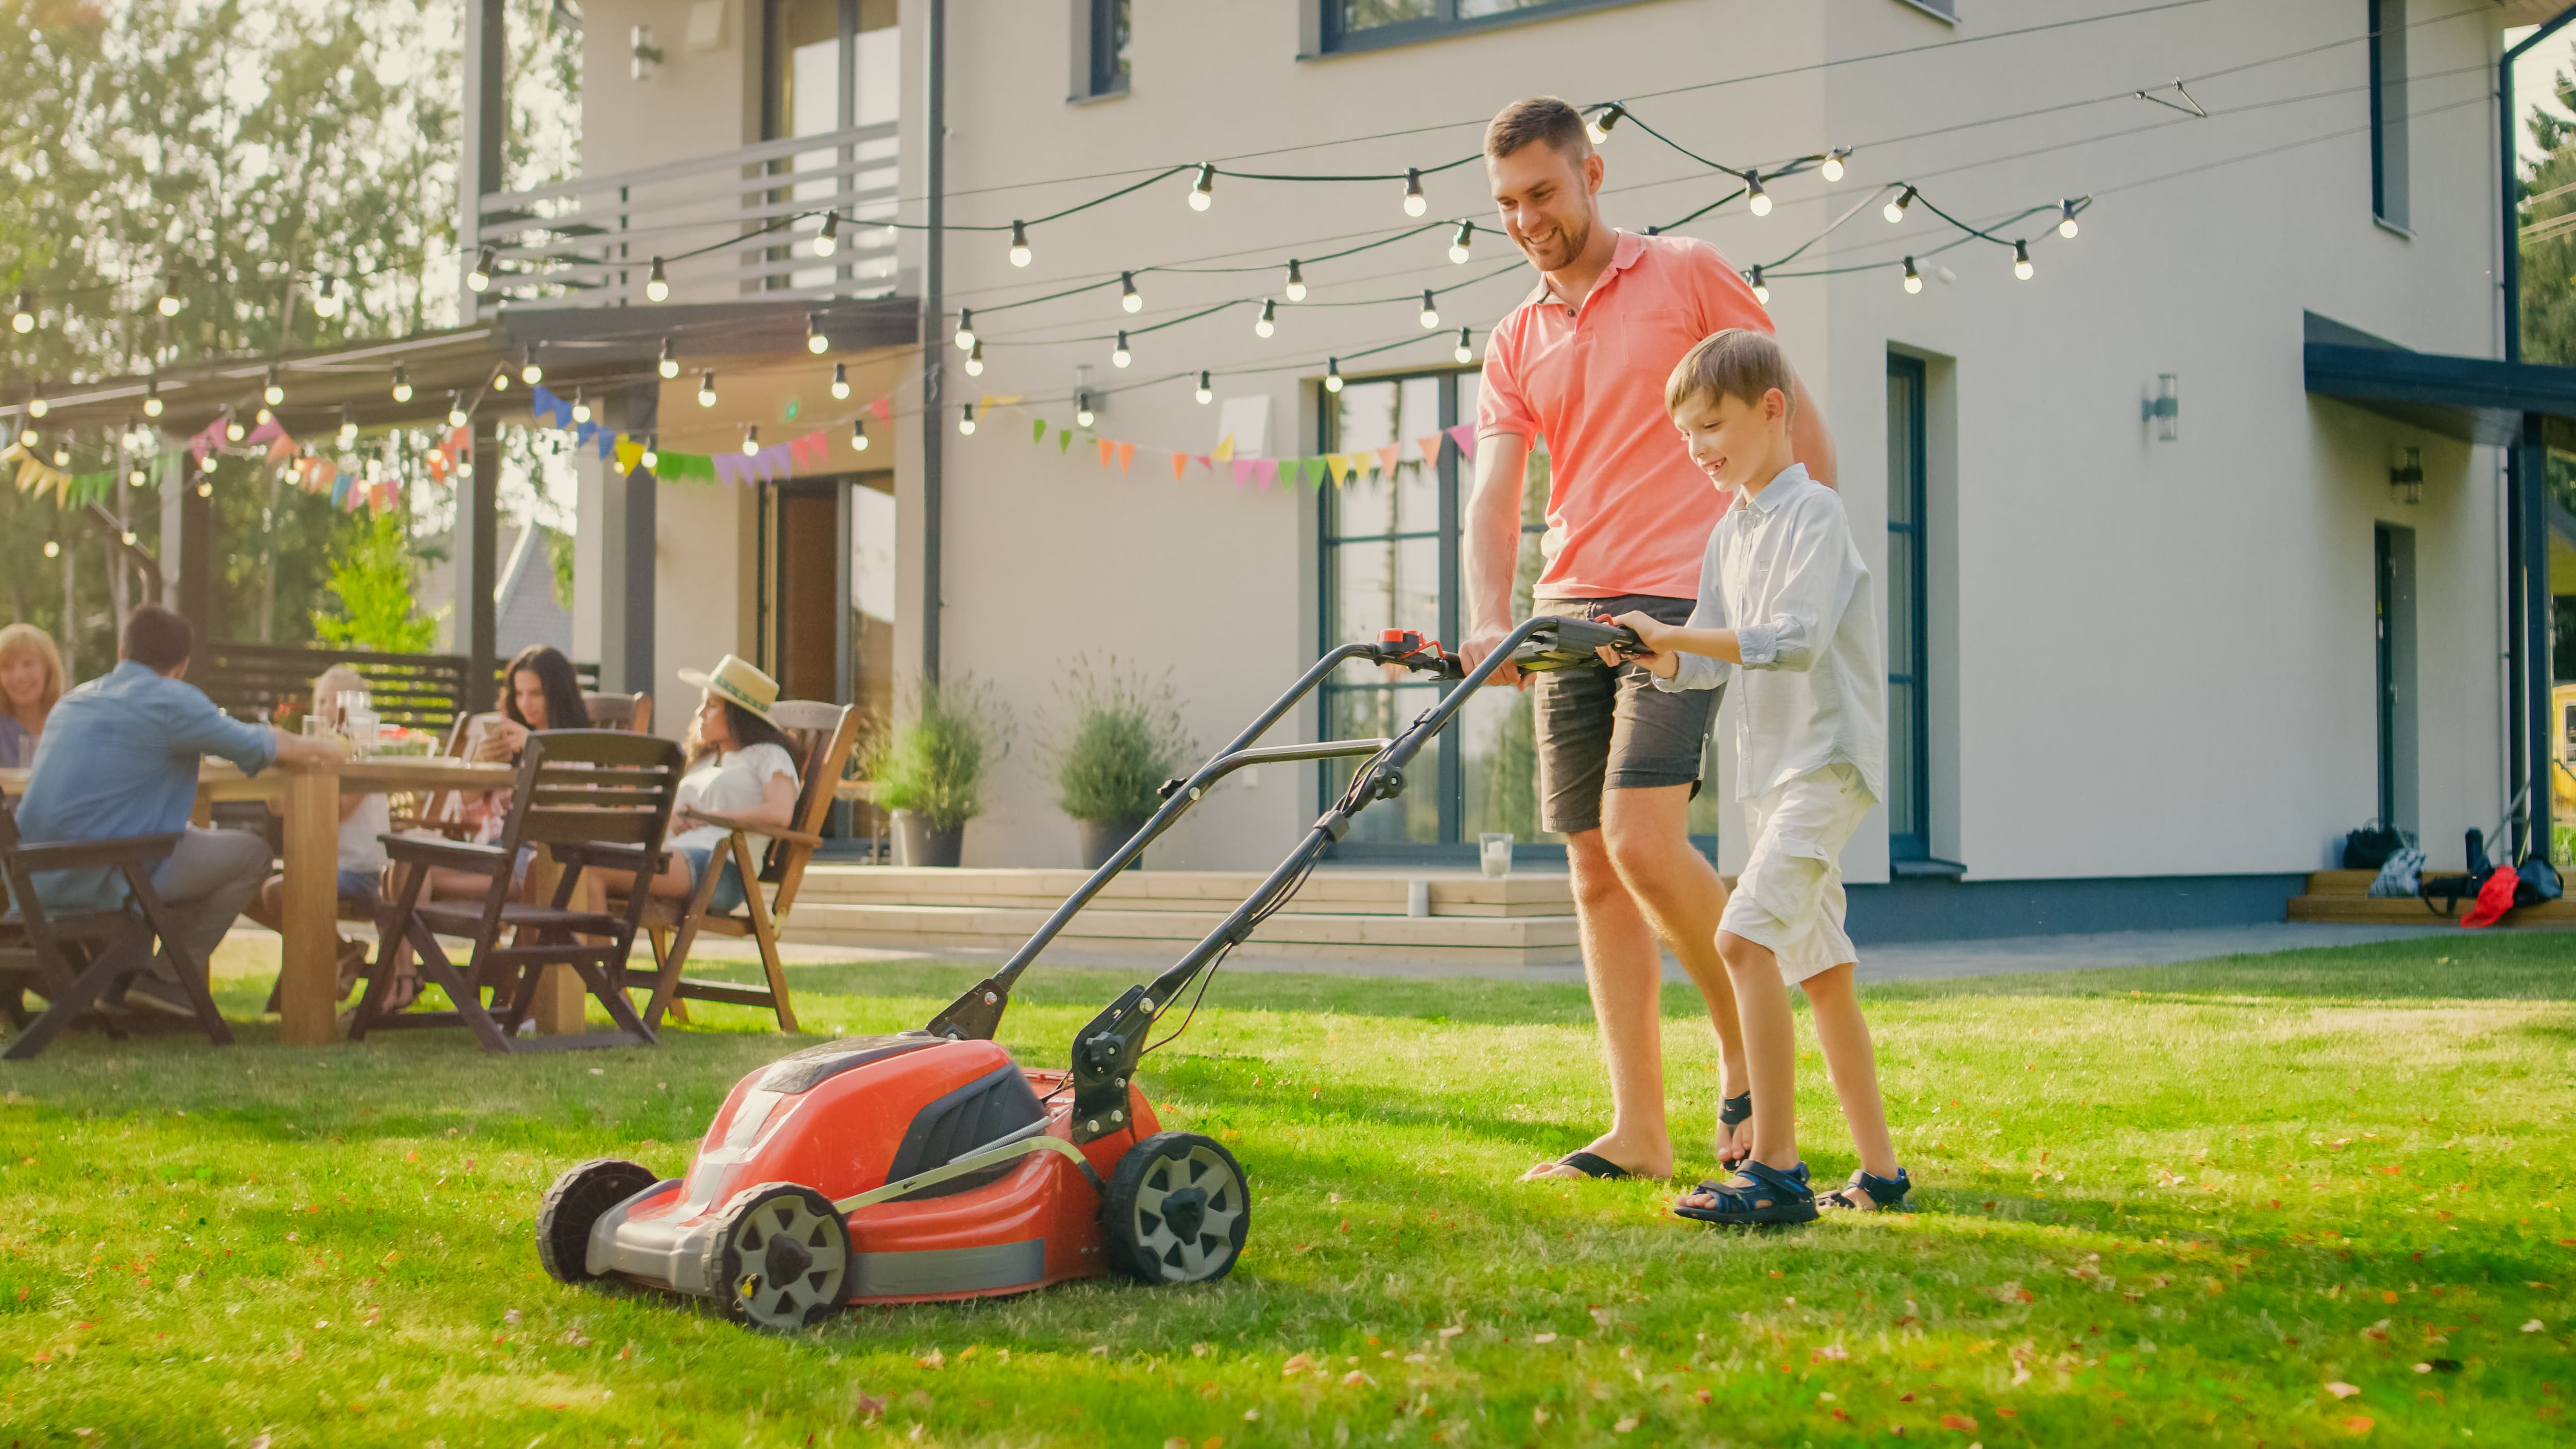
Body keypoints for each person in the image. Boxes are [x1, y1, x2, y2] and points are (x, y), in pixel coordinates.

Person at [1459, 95, 1838, 1182]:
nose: (1526, 217)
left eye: (1542, 191)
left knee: (1640, 836)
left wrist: (1814, 562)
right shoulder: (1514, 337)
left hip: (1682, 598)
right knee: (1593, 868)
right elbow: (1496, 494)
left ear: (1592, 172)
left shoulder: (1687, 273)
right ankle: (1638, 1126)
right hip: (1566, 607)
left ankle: (1742, 1045)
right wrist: (1493, 613)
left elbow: (1790, 413)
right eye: (1506, 203)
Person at [1601, 328, 1905, 1223]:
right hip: (1774, 778)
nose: (1698, 449)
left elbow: (1792, 639)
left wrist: (1680, 638)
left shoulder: (1817, 516)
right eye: (1686, 434)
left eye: (1712, 425)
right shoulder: (1730, 528)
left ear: (1773, 411)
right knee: (1824, 975)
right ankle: (1881, 1176)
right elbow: (1703, 663)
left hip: (1826, 762)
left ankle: (1775, 1167)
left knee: (1741, 940)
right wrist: (1648, 654)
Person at [10, 604, 345, 1018]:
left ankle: (124, 984)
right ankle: (166, 982)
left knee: (184, 844)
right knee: (252, 855)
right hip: (104, 876)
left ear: (121, 652)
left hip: (30, 878)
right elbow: (262, 744)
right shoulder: (173, 702)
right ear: (182, 666)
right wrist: (331, 749)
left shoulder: (74, 701)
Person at [379, 644, 595, 1012]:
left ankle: (407, 982)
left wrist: (535, 747)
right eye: (520, 693)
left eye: (536, 693)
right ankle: (407, 976)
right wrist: (481, 767)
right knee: (399, 867)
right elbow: (474, 810)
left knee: (405, 874)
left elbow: (577, 805)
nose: (526, 703)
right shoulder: (507, 741)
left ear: (557, 692)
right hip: (490, 855)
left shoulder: (576, 745)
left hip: (529, 865)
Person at [585, 655, 799, 913]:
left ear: (738, 714)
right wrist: (674, 818)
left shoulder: (769, 755)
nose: (700, 713)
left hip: (721, 868)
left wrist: (708, 816)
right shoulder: (704, 760)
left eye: (711, 706)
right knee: (563, 864)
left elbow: (780, 814)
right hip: (676, 855)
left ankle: (595, 955)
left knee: (589, 870)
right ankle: (570, 954)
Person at [243, 665, 388, 995]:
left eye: (336, 703)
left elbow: (332, 813)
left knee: (277, 892)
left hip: (362, 869)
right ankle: (343, 952)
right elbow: (277, 808)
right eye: (321, 701)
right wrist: (273, 765)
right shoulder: (314, 752)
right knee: (244, 886)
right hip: (325, 865)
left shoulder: (363, 750)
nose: (326, 710)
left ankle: (330, 966)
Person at [0, 623, 65, 769]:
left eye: (28, 664)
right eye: (7, 667)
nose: (18, 677)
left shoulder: (69, 722)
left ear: (48, 669)